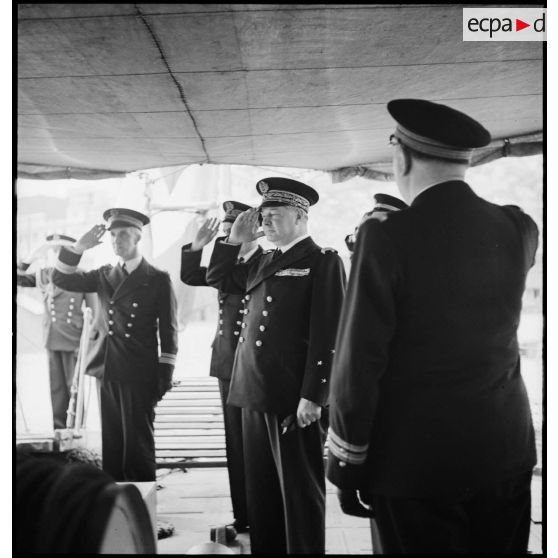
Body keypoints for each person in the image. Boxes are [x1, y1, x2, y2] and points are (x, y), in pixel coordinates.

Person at [327, 98, 539, 554]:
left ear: (400, 157)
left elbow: (358, 362)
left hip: (415, 466)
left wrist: (347, 462)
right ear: (466, 160)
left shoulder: (385, 235)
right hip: (504, 451)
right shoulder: (518, 226)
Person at [206, 177, 347, 554]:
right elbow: (218, 278)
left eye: (274, 216)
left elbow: (328, 334)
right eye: (263, 216)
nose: (265, 223)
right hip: (253, 390)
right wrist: (234, 240)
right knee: (262, 490)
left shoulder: (322, 261)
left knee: (298, 491)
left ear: (300, 218)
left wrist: (314, 396)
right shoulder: (264, 260)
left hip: (291, 398)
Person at [52, 208, 178, 482]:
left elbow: (169, 332)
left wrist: (164, 377)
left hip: (138, 371)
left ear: (137, 237)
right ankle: (116, 510)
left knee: (137, 444)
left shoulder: (157, 278)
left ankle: (142, 508)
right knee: (112, 442)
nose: (116, 241)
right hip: (106, 367)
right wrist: (78, 248)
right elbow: (60, 279)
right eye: (112, 236)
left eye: (122, 235)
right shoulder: (104, 274)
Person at [180, 201, 263, 533]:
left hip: (255, 365)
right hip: (228, 362)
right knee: (235, 443)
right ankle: (243, 515)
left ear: (252, 229)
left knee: (255, 444)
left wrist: (222, 249)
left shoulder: (264, 261)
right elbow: (190, 275)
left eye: (233, 230)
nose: (227, 235)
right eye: (226, 230)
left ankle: (261, 512)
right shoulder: (226, 261)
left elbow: (218, 276)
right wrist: (196, 247)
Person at [17, 234, 96, 430]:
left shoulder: (82, 275)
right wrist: (28, 259)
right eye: (52, 250)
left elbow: (93, 313)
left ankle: (76, 430)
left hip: (73, 339)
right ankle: (59, 430)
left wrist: (91, 343)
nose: (54, 255)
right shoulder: (45, 274)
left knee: (73, 388)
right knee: (57, 389)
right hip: (52, 338)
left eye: (58, 250)